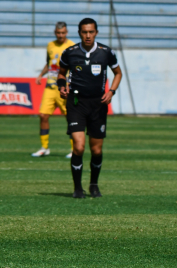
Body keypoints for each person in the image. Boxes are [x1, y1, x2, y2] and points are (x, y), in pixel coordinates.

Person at [58, 18, 122, 198]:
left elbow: (118, 73)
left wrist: (111, 91)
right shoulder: (69, 53)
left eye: (91, 32)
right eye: (84, 32)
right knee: (78, 147)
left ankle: (94, 184)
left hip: (98, 105)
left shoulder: (106, 52)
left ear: (96, 32)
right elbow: (61, 73)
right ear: (79, 33)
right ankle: (77, 188)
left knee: (96, 150)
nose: (88, 35)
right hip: (76, 103)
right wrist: (62, 86)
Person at [32, 22, 75, 158]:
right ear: (55, 32)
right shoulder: (50, 45)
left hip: (65, 88)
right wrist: (41, 75)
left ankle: (75, 149)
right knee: (43, 115)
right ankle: (44, 148)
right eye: (58, 33)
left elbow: (75, 66)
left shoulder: (72, 46)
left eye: (63, 33)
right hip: (50, 87)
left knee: (71, 118)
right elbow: (49, 62)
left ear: (66, 32)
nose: (60, 35)